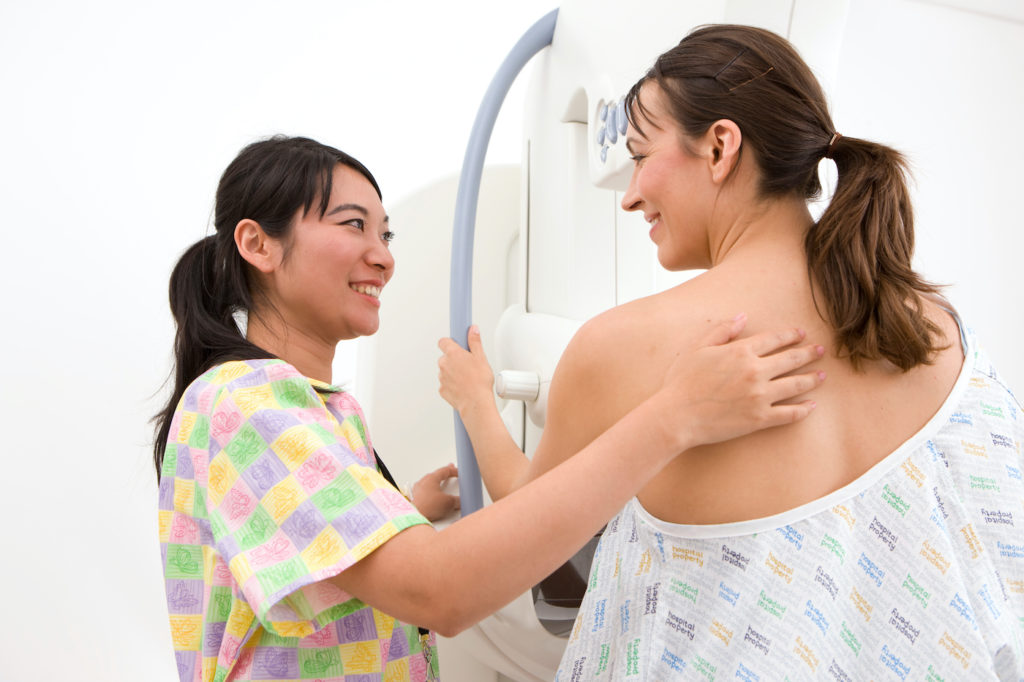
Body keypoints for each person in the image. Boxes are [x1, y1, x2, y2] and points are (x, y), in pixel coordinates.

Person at [438, 24, 1024, 680]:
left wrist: (474, 401)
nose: (629, 194)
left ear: (720, 147)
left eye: (638, 155)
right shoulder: (937, 327)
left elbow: (529, 524)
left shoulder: (620, 348)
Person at [153, 134, 827, 682]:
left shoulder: (316, 409)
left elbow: (339, 575)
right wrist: (674, 415)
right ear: (257, 243)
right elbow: (437, 592)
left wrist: (401, 513)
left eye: (387, 235)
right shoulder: (242, 404)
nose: (382, 257)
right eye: (353, 225)